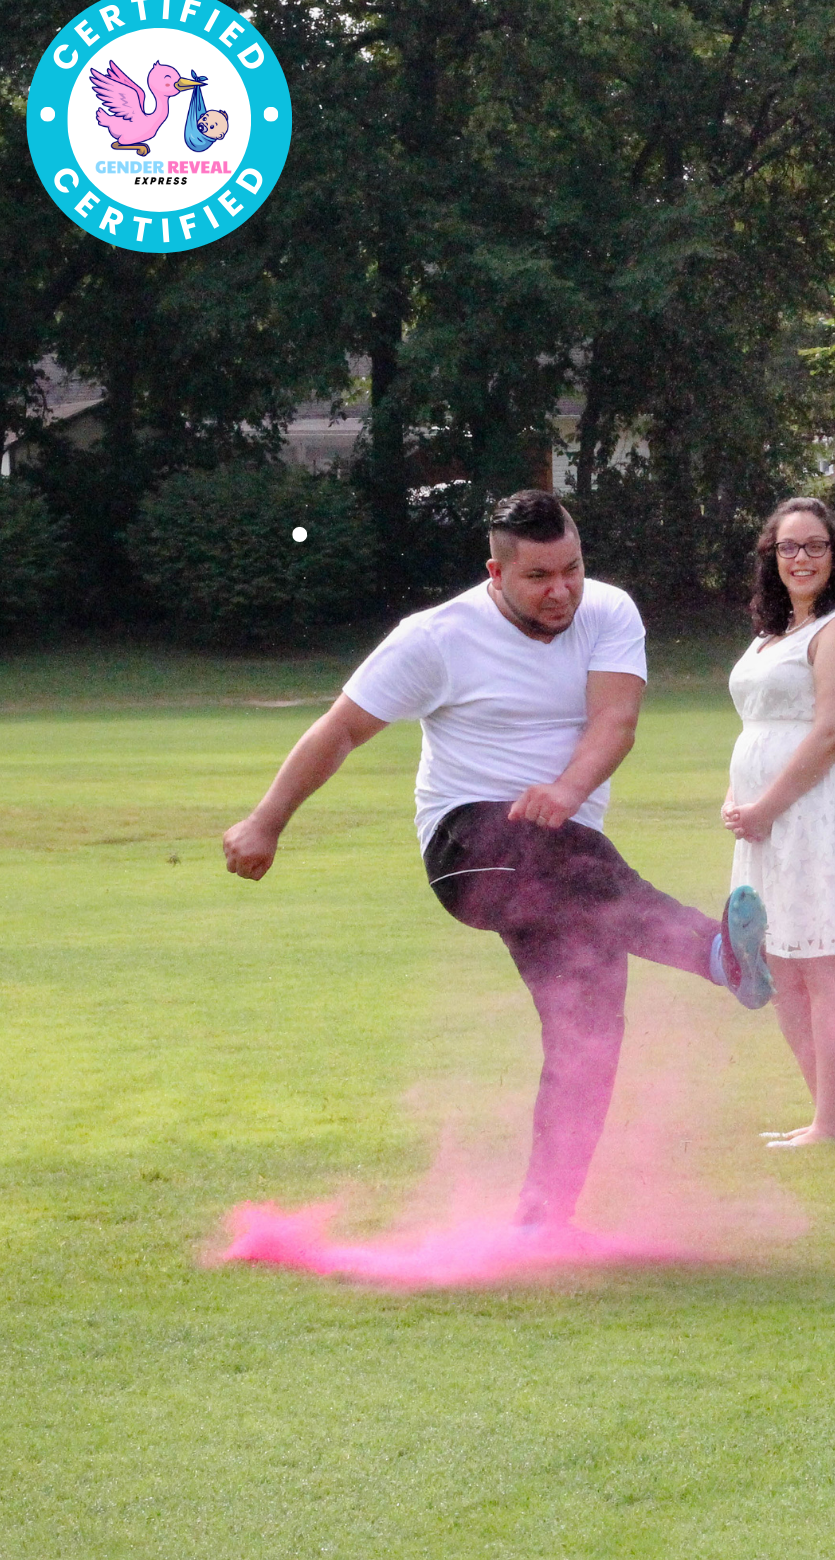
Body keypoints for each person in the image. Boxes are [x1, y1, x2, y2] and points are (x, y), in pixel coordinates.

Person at [223, 491, 772, 1233]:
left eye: (572, 568)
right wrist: (266, 822)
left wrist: (567, 789)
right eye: (540, 576)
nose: (562, 590)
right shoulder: (435, 638)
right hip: (469, 850)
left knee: (589, 1035)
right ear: (496, 573)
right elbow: (342, 729)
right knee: (554, 847)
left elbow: (616, 722)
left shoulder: (609, 613)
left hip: (570, 868)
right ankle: (714, 953)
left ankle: (543, 1220)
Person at [722, 497, 835, 1148]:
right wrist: (735, 797)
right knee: (780, 968)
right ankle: (831, 1117)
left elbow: (829, 733)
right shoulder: (771, 635)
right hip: (766, 820)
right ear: (771, 559)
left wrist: (765, 807)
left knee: (824, 969)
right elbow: (759, 728)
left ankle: (831, 1124)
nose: (800, 558)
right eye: (787, 548)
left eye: (814, 546)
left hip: (818, 813)